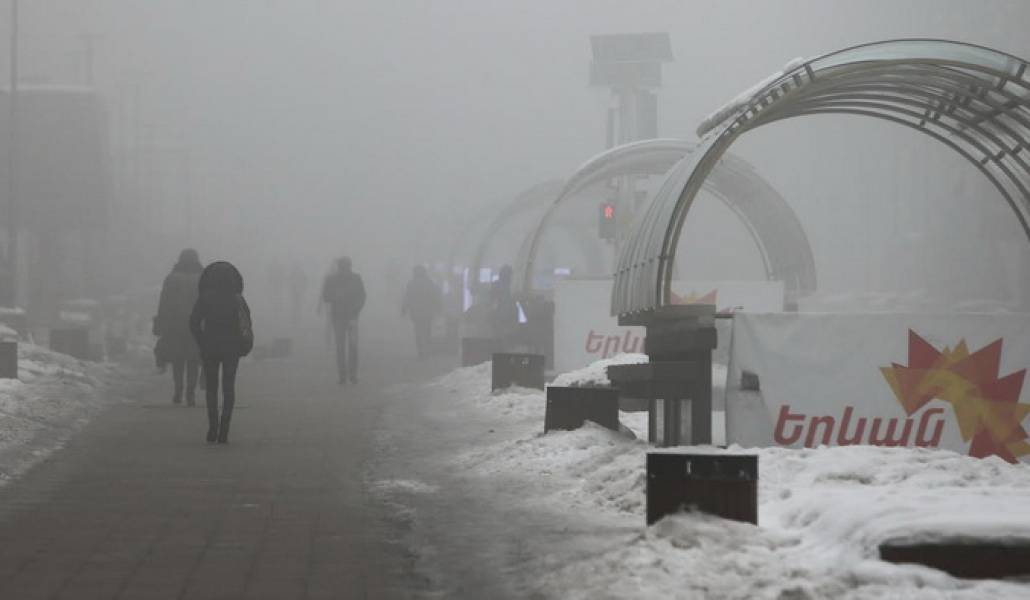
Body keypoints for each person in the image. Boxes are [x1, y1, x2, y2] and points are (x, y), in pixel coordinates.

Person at [190, 261, 252, 444]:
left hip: (210, 347)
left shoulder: (205, 298)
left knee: (211, 387)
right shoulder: (237, 299)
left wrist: (202, 341)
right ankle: (225, 428)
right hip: (231, 349)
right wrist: (242, 344)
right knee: (228, 386)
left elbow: (193, 322)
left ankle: (212, 427)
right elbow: (247, 323)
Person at [155, 249, 203, 405]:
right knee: (193, 358)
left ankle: (178, 390)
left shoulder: (171, 279)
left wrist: (160, 322)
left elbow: (164, 303)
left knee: (178, 358)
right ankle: (190, 392)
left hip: (175, 324)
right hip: (196, 324)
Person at [320, 256, 366, 384]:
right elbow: (326, 297)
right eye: (343, 267)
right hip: (340, 317)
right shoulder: (332, 280)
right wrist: (336, 296)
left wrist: (356, 310)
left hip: (351, 317)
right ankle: (343, 375)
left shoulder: (355, 278)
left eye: (346, 267)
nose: (345, 269)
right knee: (341, 347)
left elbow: (362, 296)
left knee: (352, 346)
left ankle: (351, 374)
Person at [401, 265, 442, 358]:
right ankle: (427, 349)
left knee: (418, 331)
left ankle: (420, 351)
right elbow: (435, 296)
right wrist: (438, 307)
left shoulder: (411, 284)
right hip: (428, 311)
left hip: (416, 311)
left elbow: (407, 297)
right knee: (427, 330)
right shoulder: (429, 283)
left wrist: (404, 309)